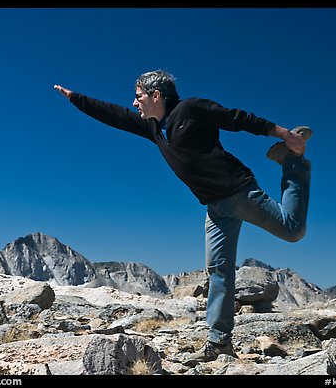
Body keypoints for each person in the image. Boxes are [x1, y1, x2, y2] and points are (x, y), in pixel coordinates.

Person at [54, 70, 311, 361]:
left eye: (139, 97)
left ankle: (292, 162)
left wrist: (284, 135)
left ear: (156, 95)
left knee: (293, 231)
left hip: (239, 192)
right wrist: (76, 99)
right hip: (214, 208)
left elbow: (237, 118)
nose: (135, 103)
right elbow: (115, 115)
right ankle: (219, 342)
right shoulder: (152, 127)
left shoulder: (191, 108)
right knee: (218, 271)